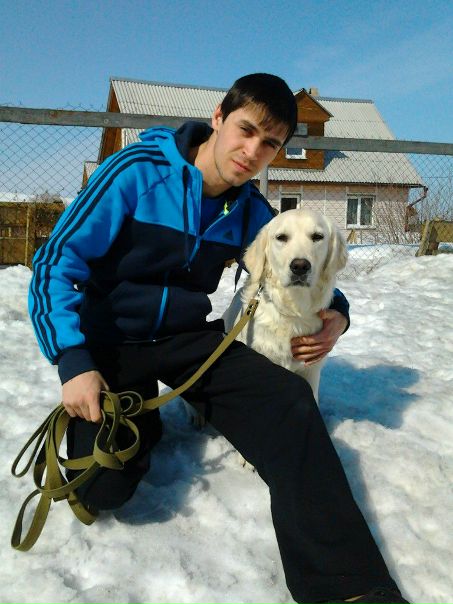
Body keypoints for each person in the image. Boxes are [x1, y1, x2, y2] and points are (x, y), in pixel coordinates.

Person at [29, 74, 410, 604]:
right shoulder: (136, 172)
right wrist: (74, 361)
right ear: (218, 118)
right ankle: (143, 423)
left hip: (190, 341)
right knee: (103, 489)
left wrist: (337, 317)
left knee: (291, 401)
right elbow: (54, 263)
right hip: (112, 343)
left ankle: (348, 588)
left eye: (270, 143)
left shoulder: (249, 209)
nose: (253, 152)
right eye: (246, 130)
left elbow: (298, 264)